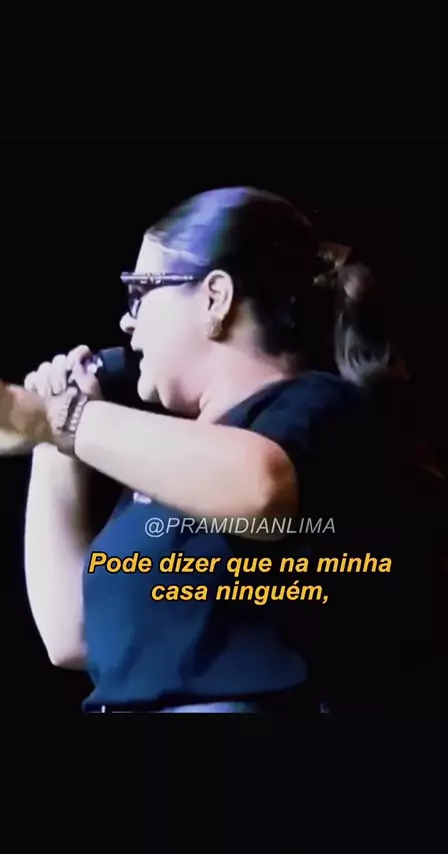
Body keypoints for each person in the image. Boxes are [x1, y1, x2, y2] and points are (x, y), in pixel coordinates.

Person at [0, 186, 405, 713]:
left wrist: (57, 419)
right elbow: (72, 635)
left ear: (215, 298)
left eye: (140, 291)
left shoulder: (319, 407)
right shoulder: (170, 466)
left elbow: (259, 491)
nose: (127, 322)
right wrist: (52, 442)